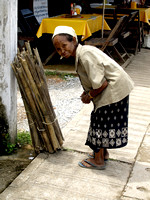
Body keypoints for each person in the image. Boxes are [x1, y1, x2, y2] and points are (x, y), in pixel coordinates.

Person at [52, 26, 134, 170]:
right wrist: (88, 93)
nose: (62, 51)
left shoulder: (85, 55)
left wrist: (89, 96)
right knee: (104, 122)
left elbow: (101, 84)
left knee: (99, 122)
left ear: (74, 41)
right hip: (116, 88)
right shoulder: (82, 53)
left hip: (114, 89)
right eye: (58, 49)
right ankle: (103, 154)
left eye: (64, 45)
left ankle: (98, 160)